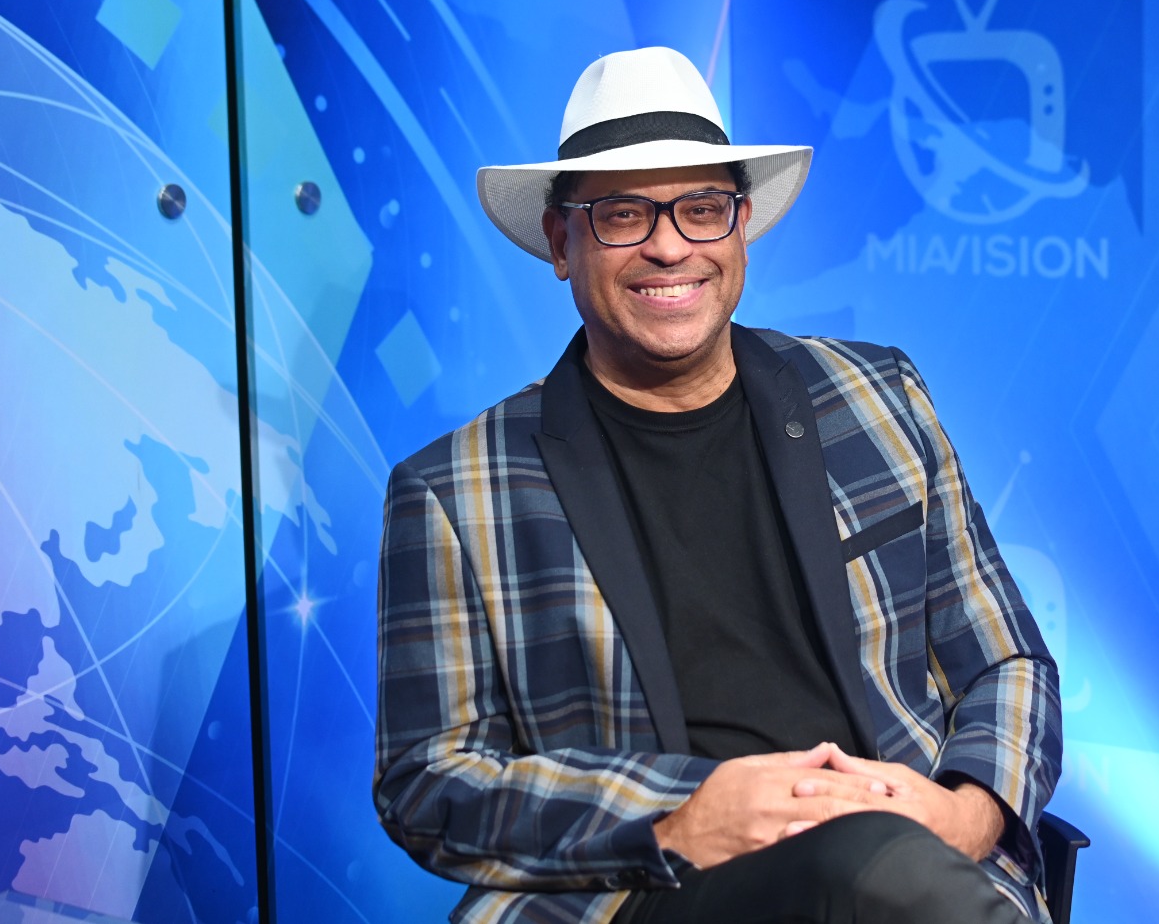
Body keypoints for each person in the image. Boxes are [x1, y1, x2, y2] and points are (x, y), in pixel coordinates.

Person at [374, 47, 1062, 924]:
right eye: (623, 215)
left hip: (912, 867)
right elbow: (427, 781)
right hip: (648, 893)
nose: (670, 247)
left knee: (872, 864)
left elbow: (1007, 660)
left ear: (740, 228)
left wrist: (965, 814)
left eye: (702, 209)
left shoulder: (876, 397)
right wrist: (679, 816)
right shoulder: (452, 491)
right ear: (560, 242)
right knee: (855, 861)